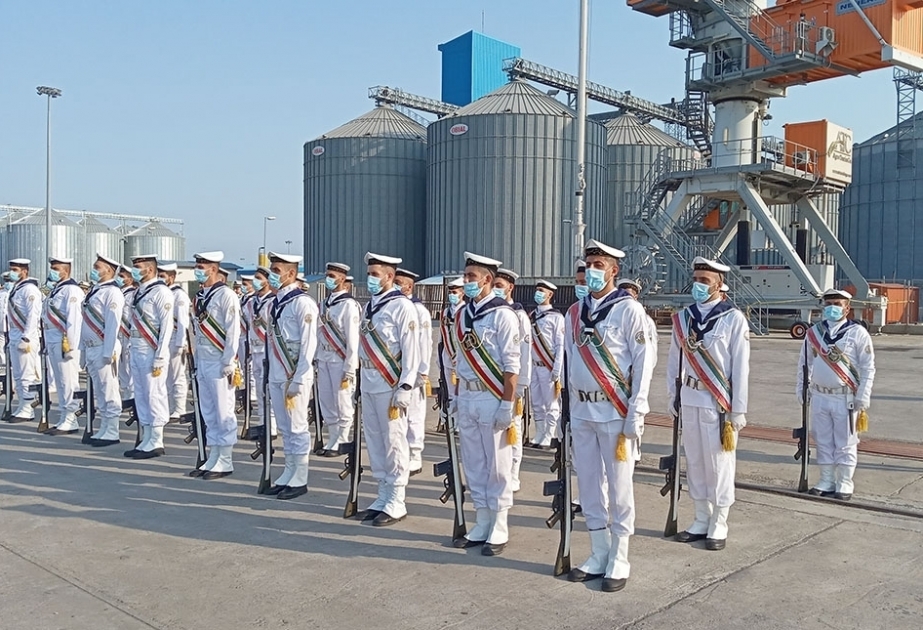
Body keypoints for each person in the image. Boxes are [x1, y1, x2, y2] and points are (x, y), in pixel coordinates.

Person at [564, 240, 656, 592]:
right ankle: (598, 550)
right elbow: (569, 362)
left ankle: (620, 555)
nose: (591, 271)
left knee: (619, 487)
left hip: (615, 411)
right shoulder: (575, 312)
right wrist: (567, 412)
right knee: (588, 485)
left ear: (614, 270)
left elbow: (644, 364)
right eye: (588, 264)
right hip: (583, 411)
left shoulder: (629, 310)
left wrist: (637, 411)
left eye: (598, 265)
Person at [667, 257, 750, 551]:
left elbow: (740, 367)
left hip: (717, 402)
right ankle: (701, 517)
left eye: (705, 280)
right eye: (696, 279)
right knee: (696, 461)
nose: (698, 285)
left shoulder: (733, 319)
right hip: (690, 397)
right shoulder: (683, 319)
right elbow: (674, 362)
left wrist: (738, 409)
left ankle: (719, 521)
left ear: (718, 284)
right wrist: (673, 395)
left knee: (719, 464)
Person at [452, 252, 520, 554]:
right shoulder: (462, 315)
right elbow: (459, 359)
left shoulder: (503, 315)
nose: (467, 281)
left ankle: (500, 523)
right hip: (467, 395)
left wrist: (507, 404)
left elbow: (512, 365)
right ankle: (481, 519)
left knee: (498, 465)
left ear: (488, 280)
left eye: (472, 277)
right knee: (474, 462)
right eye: (466, 276)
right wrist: (456, 397)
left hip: (492, 396)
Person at [356, 252, 420, 526]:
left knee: (394, 441)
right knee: (374, 440)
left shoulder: (401, 306)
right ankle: (382, 494)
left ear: (390, 277)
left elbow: (411, 349)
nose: (370, 279)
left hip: (390, 383)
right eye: (369, 274)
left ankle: (396, 499)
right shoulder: (370, 306)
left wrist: (405, 385)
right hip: (369, 381)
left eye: (375, 274)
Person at [796, 289, 876, 500]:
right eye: (828, 304)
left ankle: (845, 482)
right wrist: (801, 388)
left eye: (837, 304)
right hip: (819, 396)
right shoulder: (814, 333)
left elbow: (868, 367)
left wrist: (863, 395)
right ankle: (826, 480)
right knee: (822, 440)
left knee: (845, 442)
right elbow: (804, 363)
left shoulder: (857, 333)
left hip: (845, 397)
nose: (832, 308)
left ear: (847, 308)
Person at [262, 252, 318, 500]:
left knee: (297, 426)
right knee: (284, 427)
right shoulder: (275, 303)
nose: (272, 275)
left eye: (276, 270)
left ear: (291, 274)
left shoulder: (302, 303)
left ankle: (300, 476)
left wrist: (300, 377)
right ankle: (289, 470)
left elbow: (308, 344)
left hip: (294, 374)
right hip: (277, 373)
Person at [186, 252, 240, 478]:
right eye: (197, 266)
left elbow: (233, 330)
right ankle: (214, 455)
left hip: (220, 361)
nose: (198, 270)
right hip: (203, 360)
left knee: (223, 410)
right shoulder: (200, 296)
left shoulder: (226, 295)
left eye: (202, 266)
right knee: (208, 411)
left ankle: (225, 459)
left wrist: (229, 361)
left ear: (214, 269)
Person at [122, 255, 174, 460]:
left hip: (152, 350)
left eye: (138, 267)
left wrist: (160, 355)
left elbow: (166, 326)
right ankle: (146, 436)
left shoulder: (161, 292)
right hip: (137, 348)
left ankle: (157, 439)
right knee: (141, 394)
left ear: (150, 270)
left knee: (154, 394)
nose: (134, 270)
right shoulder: (139, 292)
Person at [492, 268, 530, 493]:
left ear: (510, 288)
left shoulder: (518, 315)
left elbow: (523, 353)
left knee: (513, 427)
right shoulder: (492, 312)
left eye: (499, 286)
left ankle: (514, 473)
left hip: (512, 382)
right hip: (492, 382)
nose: (496, 289)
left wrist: (521, 384)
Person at [82, 254, 126, 446]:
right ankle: (104, 427)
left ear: (108, 270)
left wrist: (108, 352)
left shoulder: (112, 292)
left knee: (109, 389)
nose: (94, 270)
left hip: (103, 347)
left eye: (97, 267)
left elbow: (112, 325)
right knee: (99, 391)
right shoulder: (96, 290)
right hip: (92, 347)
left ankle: (113, 430)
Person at [316, 262, 360, 456]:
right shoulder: (323, 304)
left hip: (340, 359)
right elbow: (318, 333)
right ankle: (332, 437)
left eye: (332, 276)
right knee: (326, 399)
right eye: (327, 275)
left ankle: (342, 438)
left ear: (342, 279)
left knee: (342, 400)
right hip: (324, 357)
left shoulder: (348, 305)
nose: (328, 279)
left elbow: (353, 339)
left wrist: (350, 367)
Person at [394, 268, 432, 476]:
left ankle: (415, 455)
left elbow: (424, 343)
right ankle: (401, 453)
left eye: (399, 282)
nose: (395, 285)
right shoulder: (394, 306)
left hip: (414, 371)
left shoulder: (419, 310)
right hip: (395, 371)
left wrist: (422, 372)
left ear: (409, 286)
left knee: (414, 415)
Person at [41, 257, 85, 435]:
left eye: (56, 268)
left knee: (68, 380)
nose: (52, 271)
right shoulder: (56, 290)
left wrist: (71, 346)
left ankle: (71, 418)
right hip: (52, 339)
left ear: (66, 271)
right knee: (59, 381)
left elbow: (74, 320)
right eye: (52, 268)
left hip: (64, 341)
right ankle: (63, 416)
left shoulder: (72, 291)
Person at [4, 259, 43, 422]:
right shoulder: (16, 288)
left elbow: (33, 315)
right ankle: (22, 404)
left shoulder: (30, 289)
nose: (12, 273)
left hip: (25, 337)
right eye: (11, 269)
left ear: (24, 271)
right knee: (18, 374)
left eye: (15, 270)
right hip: (15, 335)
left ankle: (28, 407)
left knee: (26, 374)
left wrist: (26, 337)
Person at [527, 280, 564, 449]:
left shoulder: (556, 317)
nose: (538, 293)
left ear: (550, 294)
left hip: (548, 366)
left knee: (551, 404)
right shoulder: (531, 316)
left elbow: (560, 345)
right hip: (534, 365)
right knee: (536, 402)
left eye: (541, 291)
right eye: (537, 290)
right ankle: (539, 432)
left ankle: (549, 434)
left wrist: (557, 368)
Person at [243, 266, 276, 440]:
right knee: (259, 390)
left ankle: (272, 426)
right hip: (254, 350)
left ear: (268, 281)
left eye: (258, 278)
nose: (255, 281)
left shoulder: (273, 302)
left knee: (268, 389)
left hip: (268, 351)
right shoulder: (251, 303)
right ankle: (263, 423)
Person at [158, 263, 190, 421]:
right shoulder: (162, 293)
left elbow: (183, 321)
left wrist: (181, 343)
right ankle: (170, 406)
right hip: (164, 339)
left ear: (172, 277)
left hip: (176, 338)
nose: (160, 278)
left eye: (163, 276)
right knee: (167, 377)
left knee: (178, 376)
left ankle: (179, 408)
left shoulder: (179, 295)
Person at [438, 277, 466, 406]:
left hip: (463, 359)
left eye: (454, 292)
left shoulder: (466, 311)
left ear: (462, 293)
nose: (451, 295)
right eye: (450, 293)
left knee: (462, 393)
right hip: (447, 357)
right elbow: (441, 337)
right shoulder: (445, 313)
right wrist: (439, 359)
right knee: (450, 395)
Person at [617, 278, 658, 363]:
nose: (624, 299)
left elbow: (650, 349)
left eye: (628, 296)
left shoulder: (646, 321)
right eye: (621, 295)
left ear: (635, 297)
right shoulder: (610, 317)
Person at [116, 265, 137, 405]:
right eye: (119, 275)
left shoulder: (132, 295)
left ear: (130, 279)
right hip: (119, 335)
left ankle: (132, 397)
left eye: (122, 276)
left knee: (130, 369)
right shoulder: (118, 293)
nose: (119, 278)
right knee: (121, 368)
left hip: (128, 335)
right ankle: (125, 396)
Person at [0, 272, 10, 370]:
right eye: (6, 281)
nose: (8, 283)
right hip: (1, 324)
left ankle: (11, 363)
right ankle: (3, 363)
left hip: (12, 325)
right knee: (1, 344)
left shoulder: (16, 292)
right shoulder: (1, 294)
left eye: (10, 280)